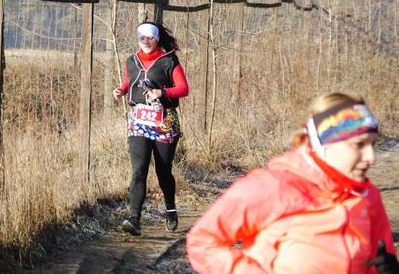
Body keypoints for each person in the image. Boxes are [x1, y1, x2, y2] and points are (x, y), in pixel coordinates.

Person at [186, 92, 398, 273]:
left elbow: (378, 259)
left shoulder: (368, 196)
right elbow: (203, 241)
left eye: (372, 144)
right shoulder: (273, 187)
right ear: (325, 145)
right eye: (358, 145)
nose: (371, 156)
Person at [113, 21, 189, 236]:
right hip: (139, 121)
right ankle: (134, 218)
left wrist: (161, 93)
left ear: (157, 39)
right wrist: (121, 90)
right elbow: (129, 82)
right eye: (142, 37)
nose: (145, 41)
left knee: (163, 171)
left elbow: (183, 89)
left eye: (150, 37)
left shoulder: (169, 61)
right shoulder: (132, 60)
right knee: (139, 169)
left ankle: (171, 209)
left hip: (164, 121)